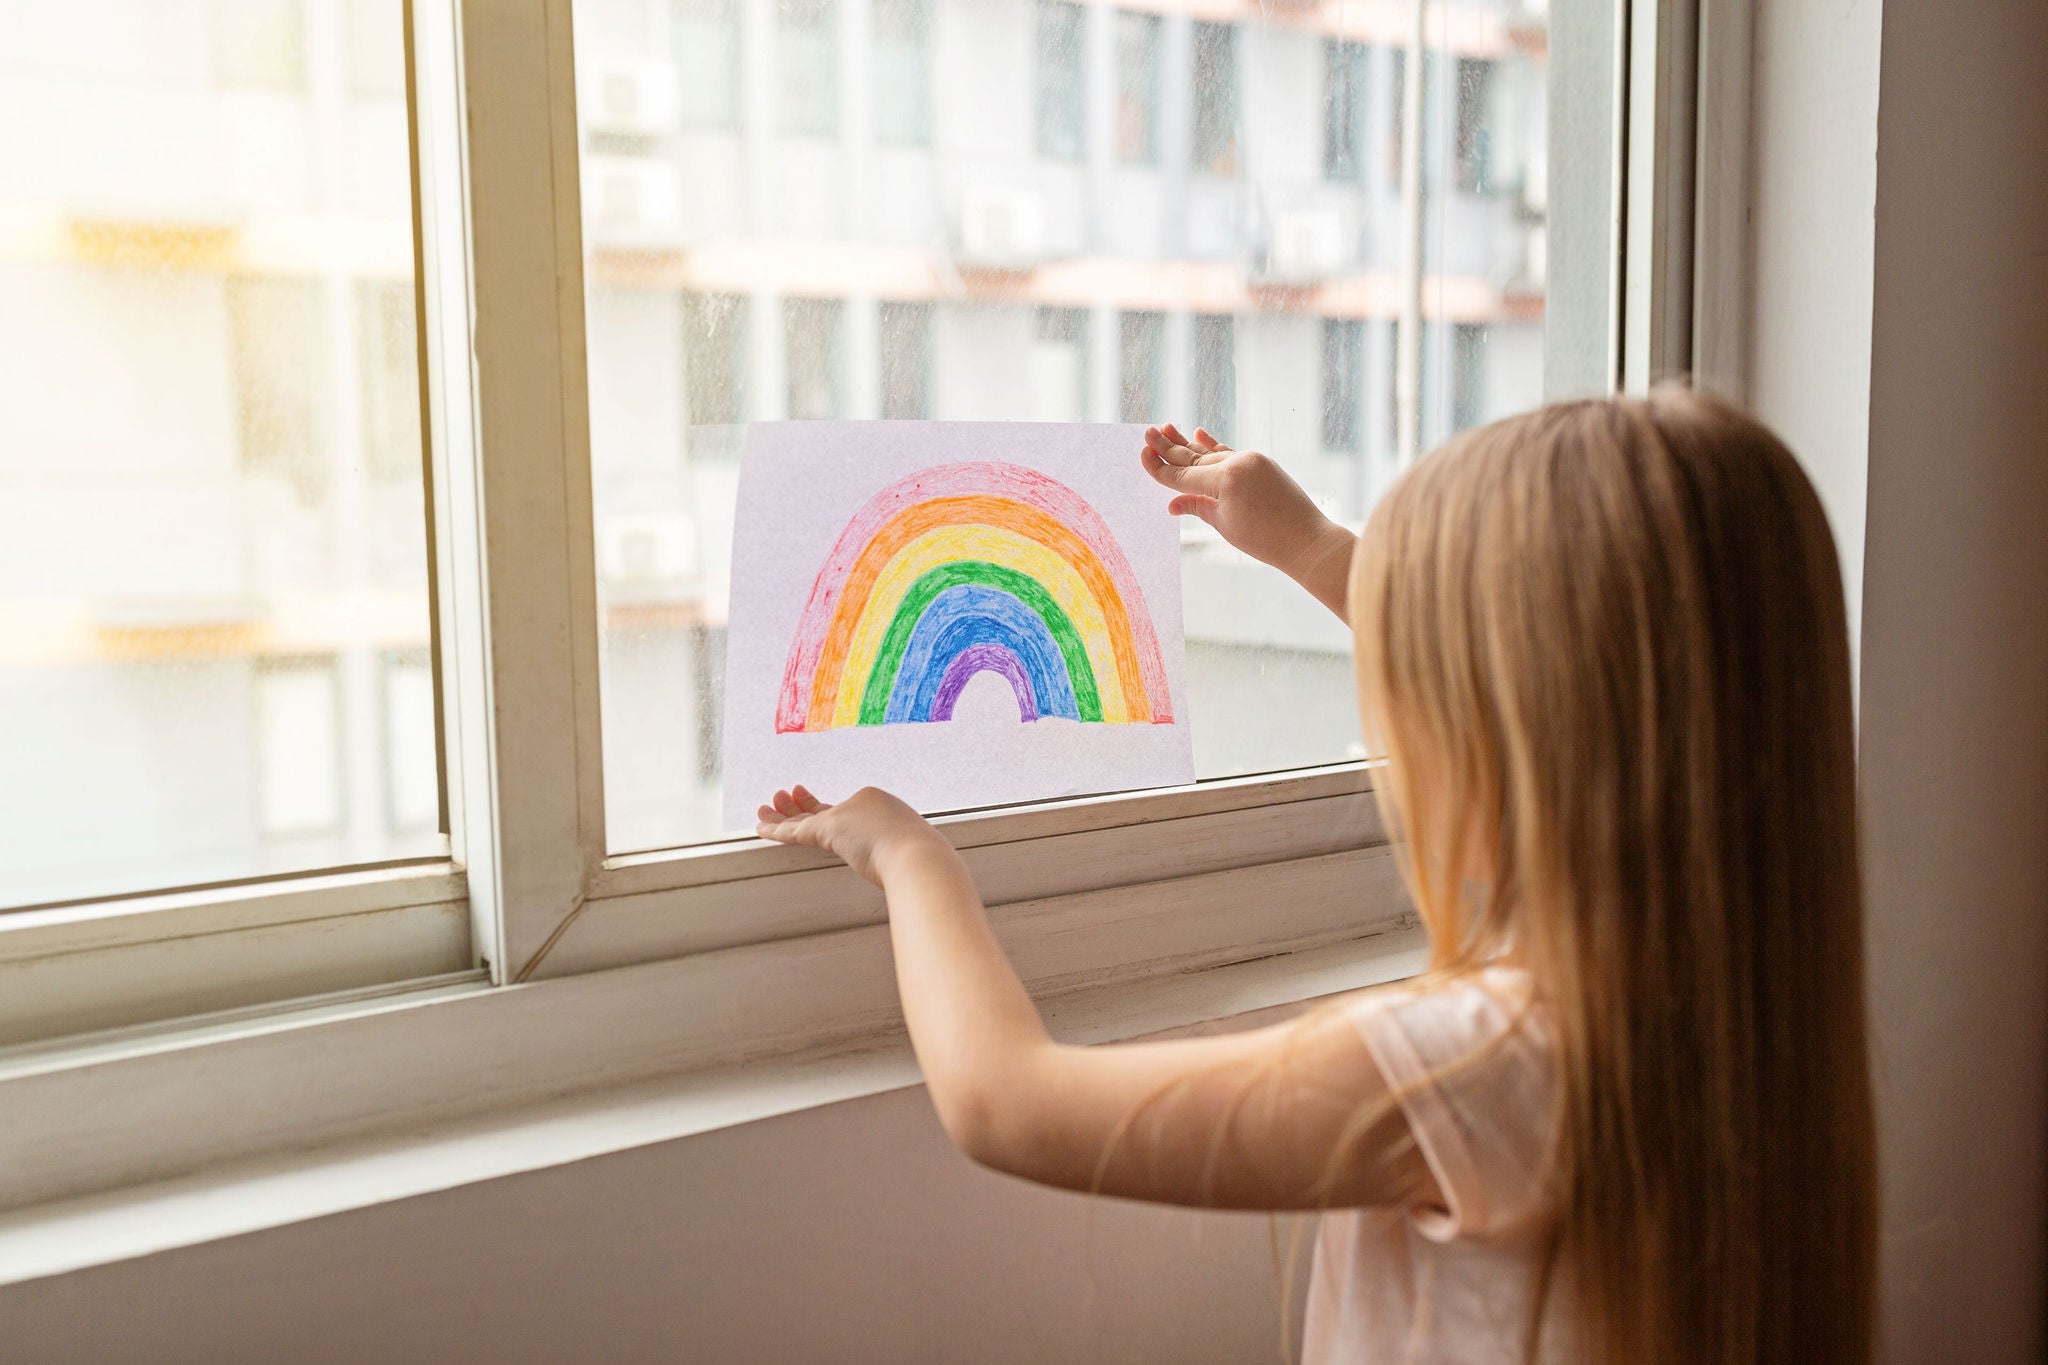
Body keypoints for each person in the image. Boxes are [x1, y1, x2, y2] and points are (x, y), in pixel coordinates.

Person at [754, 389, 1877, 1364]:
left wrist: (913, 856)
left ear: (1510, 742)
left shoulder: (1476, 1069)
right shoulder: (1751, 1023)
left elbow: (1007, 1104)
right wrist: (1308, 545)